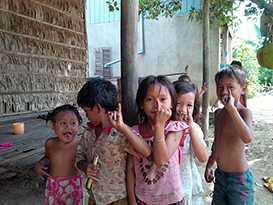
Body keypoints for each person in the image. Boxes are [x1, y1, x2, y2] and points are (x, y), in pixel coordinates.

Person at [76, 78, 151, 205]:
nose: (86, 115)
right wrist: (85, 167)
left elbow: (146, 151)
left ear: (98, 108)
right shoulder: (88, 133)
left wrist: (123, 127)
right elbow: (78, 158)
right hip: (94, 196)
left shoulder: (120, 133)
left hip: (117, 199)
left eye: (87, 110)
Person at [127, 75, 189, 205]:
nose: (157, 105)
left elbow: (161, 161)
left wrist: (159, 126)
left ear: (172, 103)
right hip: (143, 199)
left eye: (163, 99)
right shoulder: (134, 132)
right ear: (141, 104)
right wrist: (132, 201)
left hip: (172, 200)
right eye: (150, 99)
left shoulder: (175, 128)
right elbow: (130, 169)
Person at [204, 67, 254, 204]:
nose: (224, 92)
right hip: (220, 176)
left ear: (242, 89)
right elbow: (217, 143)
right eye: (220, 87)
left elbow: (248, 138)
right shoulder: (219, 114)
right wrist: (209, 165)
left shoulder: (245, 113)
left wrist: (232, 109)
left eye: (230, 87)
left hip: (239, 180)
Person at [35, 104, 83, 205]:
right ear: (53, 125)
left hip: (73, 186)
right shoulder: (50, 143)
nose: (68, 127)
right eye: (63, 123)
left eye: (73, 123)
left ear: (79, 125)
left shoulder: (80, 144)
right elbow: (48, 158)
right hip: (54, 186)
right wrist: (40, 164)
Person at [174, 80, 208, 205]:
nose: (183, 109)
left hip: (187, 187)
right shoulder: (164, 127)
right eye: (178, 103)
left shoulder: (194, 129)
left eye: (189, 105)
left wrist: (191, 129)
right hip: (167, 189)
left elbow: (202, 158)